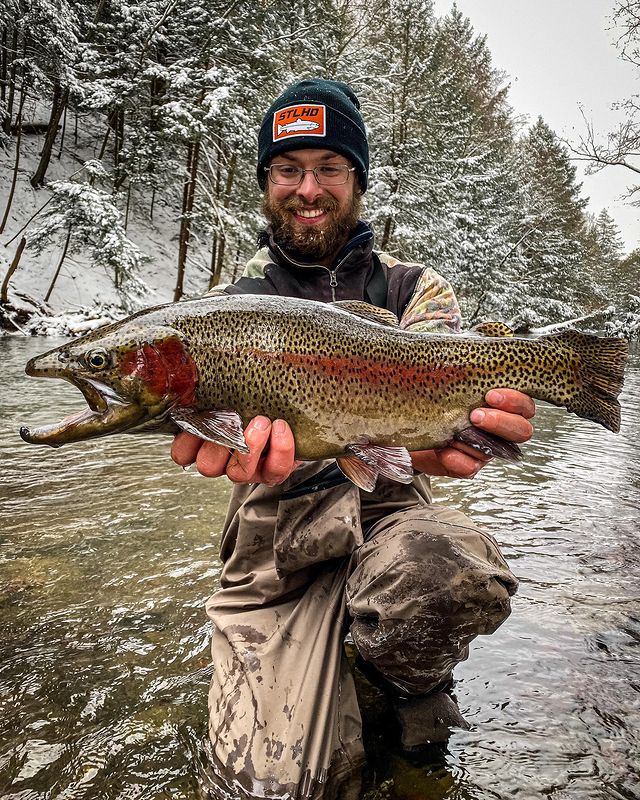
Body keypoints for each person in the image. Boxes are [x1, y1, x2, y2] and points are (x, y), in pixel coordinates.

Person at [171, 79, 535, 799]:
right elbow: (201, 432)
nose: (308, 188)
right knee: (270, 788)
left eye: (329, 167)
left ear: (358, 179)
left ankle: (407, 674)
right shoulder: (226, 307)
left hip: (390, 512)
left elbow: (435, 415)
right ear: (267, 182)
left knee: (446, 566)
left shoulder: (414, 291)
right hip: (273, 533)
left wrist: (460, 439)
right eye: (287, 169)